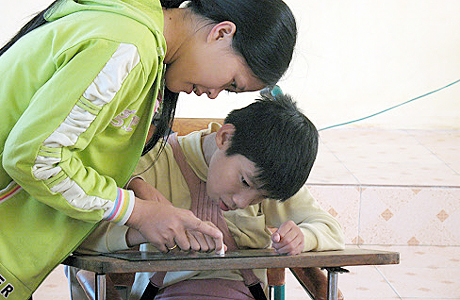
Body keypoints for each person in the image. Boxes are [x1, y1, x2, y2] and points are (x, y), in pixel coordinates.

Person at [0, 0, 297, 298]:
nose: (214, 95)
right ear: (221, 33)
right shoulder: (127, 47)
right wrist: (136, 212)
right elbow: (35, 157)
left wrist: (134, 190)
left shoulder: (138, 45)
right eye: (232, 84)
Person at [74, 93, 345, 300]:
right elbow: (81, 237)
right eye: (243, 182)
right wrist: (144, 227)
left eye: (257, 198)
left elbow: (331, 230)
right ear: (225, 138)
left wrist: (303, 237)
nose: (242, 201)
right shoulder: (153, 161)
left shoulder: (267, 179)